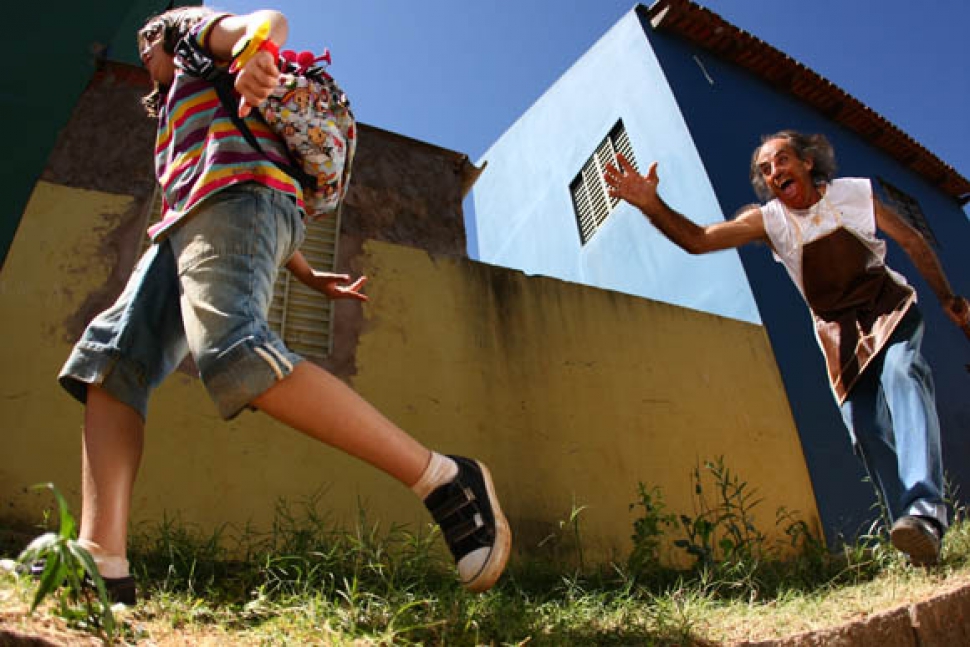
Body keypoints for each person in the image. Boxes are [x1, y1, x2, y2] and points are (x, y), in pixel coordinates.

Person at [55, 6, 510, 604]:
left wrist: (255, 54)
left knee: (234, 348)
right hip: (194, 223)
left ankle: (445, 478)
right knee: (114, 359)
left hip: (237, 199)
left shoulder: (185, 34)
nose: (144, 54)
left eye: (148, 44)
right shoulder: (177, 108)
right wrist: (308, 273)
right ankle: (101, 561)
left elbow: (265, 21)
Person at [604, 130, 969, 566]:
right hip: (838, 334)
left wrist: (947, 298)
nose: (774, 172)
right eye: (765, 170)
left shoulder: (852, 195)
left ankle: (925, 509)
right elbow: (699, 239)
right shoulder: (770, 221)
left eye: (781, 161)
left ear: (807, 162)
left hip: (886, 307)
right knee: (866, 432)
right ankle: (915, 541)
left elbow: (911, 241)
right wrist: (651, 205)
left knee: (902, 373)